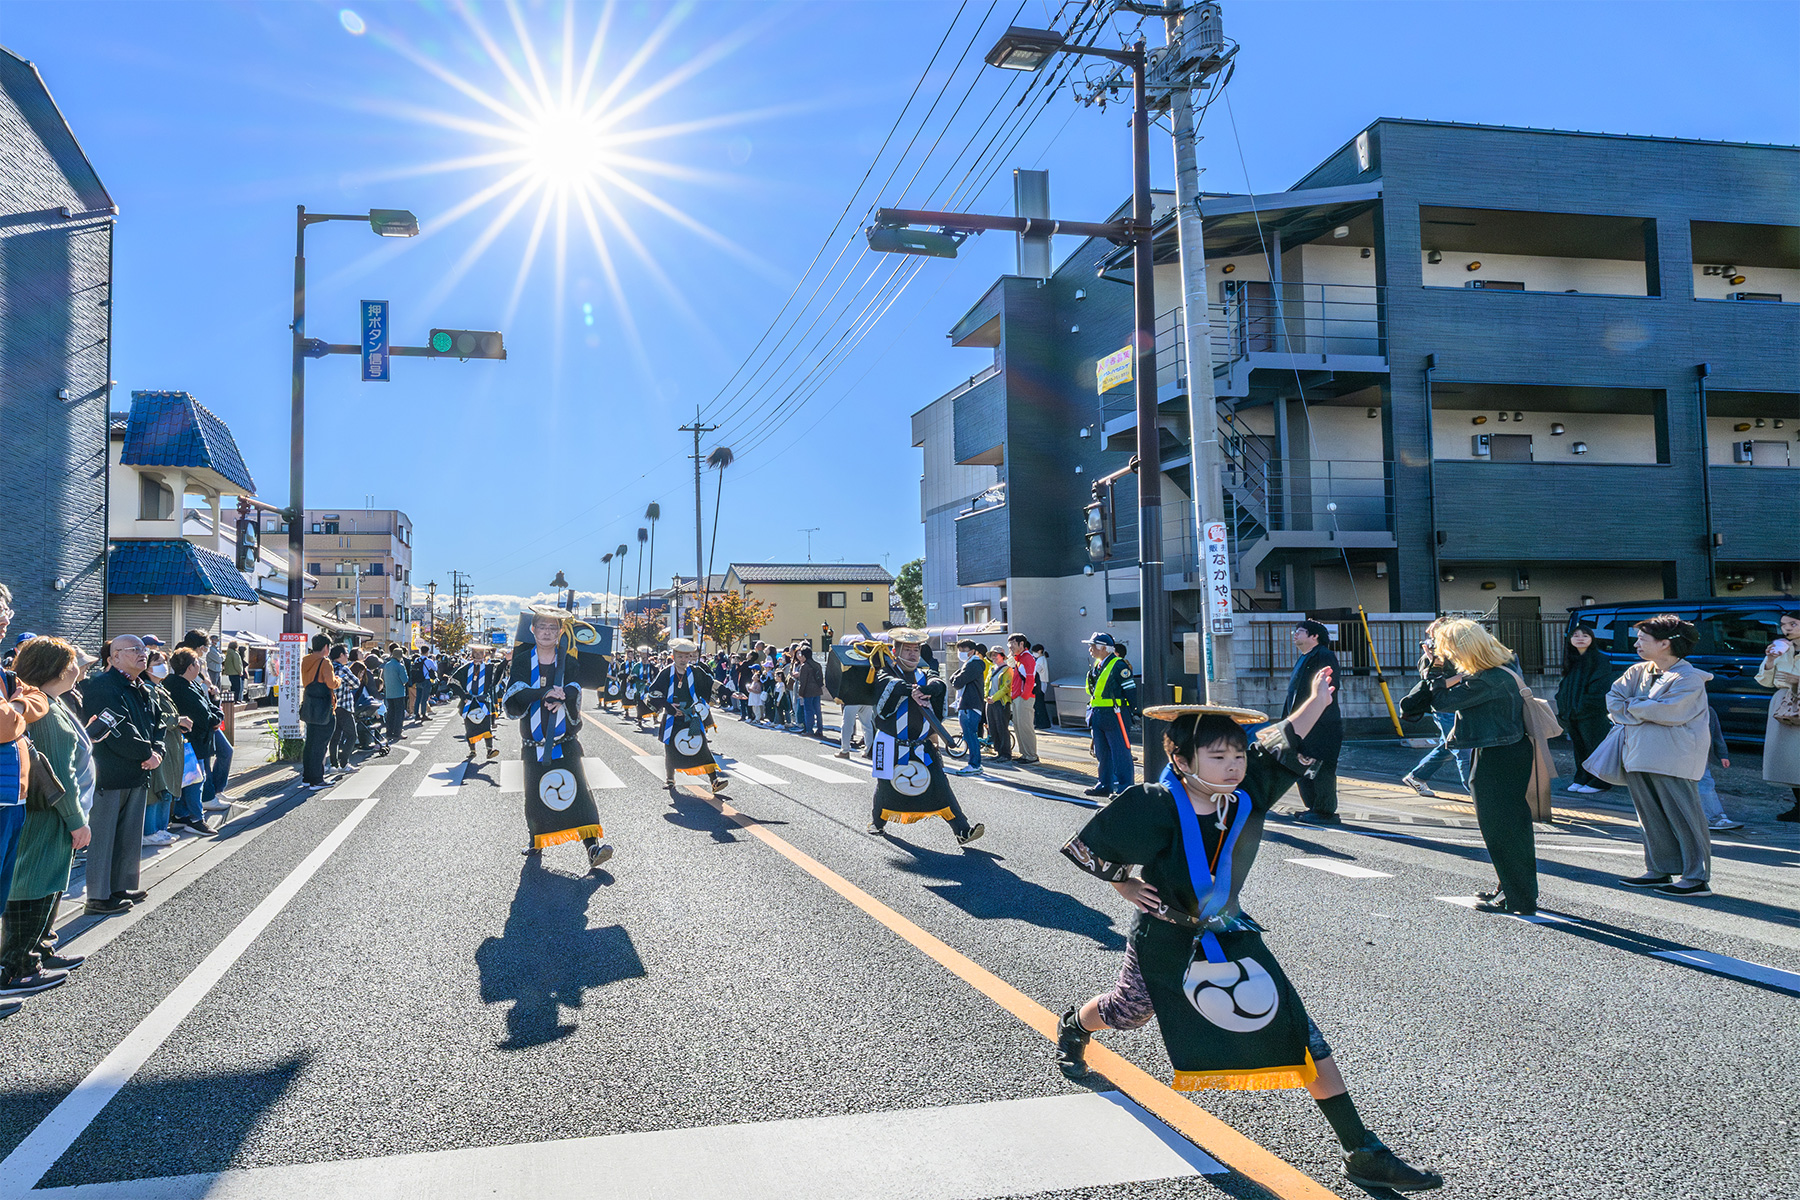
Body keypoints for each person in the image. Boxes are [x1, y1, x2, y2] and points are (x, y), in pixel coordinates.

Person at [1051, 674, 1444, 1195]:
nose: (1233, 766)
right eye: (1218, 757)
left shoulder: (1244, 796)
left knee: (1304, 1035)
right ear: (1182, 761)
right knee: (1129, 1012)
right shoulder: (1153, 802)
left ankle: (1361, 1150)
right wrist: (1124, 883)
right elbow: (1089, 848)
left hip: (1231, 931)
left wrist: (1313, 704)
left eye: (1236, 755)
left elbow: (1279, 741)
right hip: (1165, 936)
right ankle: (1074, 1024)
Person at [1399, 620, 1535, 915]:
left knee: (1502, 828)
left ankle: (1518, 896)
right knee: (1508, 827)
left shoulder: (1488, 680)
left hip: (1498, 754)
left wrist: (1436, 668)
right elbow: (1418, 702)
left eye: (1447, 648)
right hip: (1500, 750)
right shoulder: (1494, 671)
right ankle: (1513, 889)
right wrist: (1435, 666)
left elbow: (1440, 703)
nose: (1445, 654)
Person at [2, 637, 92, 996]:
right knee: (34, 884)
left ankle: (39, 950)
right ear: (55, 668)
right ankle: (19, 965)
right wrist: (77, 820)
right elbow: (62, 775)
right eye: (72, 662)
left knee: (48, 883)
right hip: (49, 814)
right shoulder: (45, 710)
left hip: (49, 813)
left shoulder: (50, 702)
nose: (78, 668)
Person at [1608, 615, 1714, 898]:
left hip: (1674, 756)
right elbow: (1613, 700)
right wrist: (1643, 706)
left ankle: (1696, 877)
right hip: (1638, 753)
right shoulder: (1637, 671)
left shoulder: (1689, 677)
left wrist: (1633, 707)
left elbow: (1668, 711)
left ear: (1665, 644)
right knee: (1649, 817)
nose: (1636, 644)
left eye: (1643, 640)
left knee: (1685, 816)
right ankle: (1659, 869)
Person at [504, 607, 613, 872]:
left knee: (579, 793)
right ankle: (536, 841)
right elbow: (516, 690)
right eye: (542, 627)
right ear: (533, 629)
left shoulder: (568, 660)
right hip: (534, 741)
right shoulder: (522, 660)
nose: (546, 632)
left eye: (553, 628)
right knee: (535, 793)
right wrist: (543, 693)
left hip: (564, 740)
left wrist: (564, 694)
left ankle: (592, 848)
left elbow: (576, 686)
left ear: (560, 632)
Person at [867, 630, 982, 845]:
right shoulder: (886, 674)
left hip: (922, 745)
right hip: (891, 744)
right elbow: (888, 690)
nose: (913, 654)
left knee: (941, 785)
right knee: (885, 786)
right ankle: (877, 822)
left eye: (916, 650)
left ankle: (962, 830)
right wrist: (909, 690)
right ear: (895, 651)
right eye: (908, 650)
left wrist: (927, 689)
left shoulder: (925, 674)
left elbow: (938, 683)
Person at [76, 635, 161, 916]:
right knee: (104, 835)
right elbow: (116, 727)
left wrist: (156, 751)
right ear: (112, 658)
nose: (142, 654)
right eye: (134, 649)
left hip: (138, 770)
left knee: (129, 834)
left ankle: (122, 886)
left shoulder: (143, 687)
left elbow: (156, 723)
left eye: (143, 649)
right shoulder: (102, 686)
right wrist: (146, 753)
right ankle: (99, 896)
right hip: (110, 772)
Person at [648, 638, 729, 793]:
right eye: (680, 657)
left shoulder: (695, 672)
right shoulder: (666, 673)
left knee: (701, 746)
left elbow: (710, 683)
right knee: (671, 748)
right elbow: (654, 692)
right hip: (672, 718)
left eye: (686, 656)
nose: (683, 660)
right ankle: (670, 779)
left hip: (691, 716)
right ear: (673, 656)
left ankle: (714, 781)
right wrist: (668, 707)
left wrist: (729, 692)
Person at [1401, 620, 1470, 799]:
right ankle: (1477, 791)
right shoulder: (1429, 659)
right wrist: (1463, 675)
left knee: (1447, 746)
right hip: (1444, 708)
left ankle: (1417, 776)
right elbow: (1435, 686)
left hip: (1459, 705)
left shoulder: (1455, 654)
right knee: (1462, 746)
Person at [1284, 621, 1342, 825]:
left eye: (1299, 631)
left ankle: (1325, 810)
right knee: (1301, 763)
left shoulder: (1323, 655)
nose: (1294, 634)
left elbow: (1330, 687)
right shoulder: (1305, 657)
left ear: (1314, 636)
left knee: (1322, 766)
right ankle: (1313, 807)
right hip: (1303, 723)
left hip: (1321, 723)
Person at [1556, 623, 1619, 795]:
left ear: (1592, 639)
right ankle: (1582, 777)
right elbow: (1565, 688)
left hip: (1590, 714)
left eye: (1585, 635)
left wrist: (1582, 707)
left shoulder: (1599, 659)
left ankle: (1600, 781)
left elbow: (1600, 689)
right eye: (1576, 635)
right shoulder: (1573, 660)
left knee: (1595, 747)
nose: (1580, 638)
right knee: (1579, 748)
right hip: (1573, 714)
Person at [164, 648, 220, 835]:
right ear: (190, 667)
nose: (200, 666)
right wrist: (216, 714)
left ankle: (181, 814)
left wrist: (214, 710)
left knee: (188, 778)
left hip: (193, 741)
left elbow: (208, 707)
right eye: (197, 663)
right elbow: (204, 716)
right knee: (196, 779)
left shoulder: (186, 683)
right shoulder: (181, 687)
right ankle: (196, 818)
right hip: (193, 741)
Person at [1756, 611, 1800, 823]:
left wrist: (1798, 681)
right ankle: (1798, 806)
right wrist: (1771, 660)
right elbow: (1764, 681)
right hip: (1784, 702)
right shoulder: (1782, 647)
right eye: (1783, 625)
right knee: (1788, 758)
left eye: (1793, 624)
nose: (1787, 628)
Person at [1083, 633, 1135, 799]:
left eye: (1093, 646)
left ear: (1103, 648)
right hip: (1098, 714)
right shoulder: (1098, 665)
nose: (1090, 649)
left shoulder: (1119, 665)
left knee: (1120, 752)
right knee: (1102, 752)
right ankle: (1105, 784)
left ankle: (1125, 787)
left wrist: (1133, 712)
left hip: (1115, 714)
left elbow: (1131, 692)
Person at [449, 643, 503, 762]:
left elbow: (496, 677)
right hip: (469, 703)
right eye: (476, 653)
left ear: (484, 655)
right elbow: (452, 681)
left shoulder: (489, 668)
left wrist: (505, 662)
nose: (478, 656)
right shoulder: (465, 668)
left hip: (483, 701)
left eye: (480, 653)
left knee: (486, 726)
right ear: (472, 655)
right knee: (470, 727)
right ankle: (472, 750)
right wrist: (463, 695)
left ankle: (490, 749)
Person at [299, 634, 338, 790]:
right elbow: (331, 683)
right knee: (320, 745)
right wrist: (339, 680)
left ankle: (307, 778)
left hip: (310, 706)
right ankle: (317, 780)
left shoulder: (306, 661)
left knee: (310, 743)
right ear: (326, 647)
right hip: (323, 708)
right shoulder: (325, 662)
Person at [1696, 705, 1743, 833]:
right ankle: (1713, 816)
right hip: (1686, 753)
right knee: (1703, 783)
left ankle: (1714, 816)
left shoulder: (1707, 710)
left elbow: (1716, 734)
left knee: (1705, 782)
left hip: (1698, 754)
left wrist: (1722, 754)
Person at [950, 640, 987, 777]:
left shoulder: (974, 664)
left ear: (972, 651)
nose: (961, 653)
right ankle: (974, 764)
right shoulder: (969, 664)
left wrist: (957, 678)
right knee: (969, 735)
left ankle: (975, 764)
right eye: (960, 650)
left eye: (964, 649)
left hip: (970, 704)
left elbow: (957, 682)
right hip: (967, 704)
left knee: (970, 735)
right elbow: (953, 678)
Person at [1006, 635, 1040, 764]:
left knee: (1025, 726)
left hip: (1023, 697)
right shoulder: (1019, 658)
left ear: (1021, 644)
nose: (1010, 647)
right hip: (1018, 696)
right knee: (1019, 726)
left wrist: (1024, 696)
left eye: (1013, 644)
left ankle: (1031, 755)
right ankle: (1025, 754)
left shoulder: (1027, 658)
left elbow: (1030, 679)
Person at [984, 646, 1014, 763]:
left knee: (1002, 728)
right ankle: (998, 751)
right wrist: (986, 697)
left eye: (996, 654)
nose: (993, 657)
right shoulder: (992, 668)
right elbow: (986, 685)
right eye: (992, 655)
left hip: (1001, 703)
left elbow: (1006, 688)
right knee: (992, 727)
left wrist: (994, 698)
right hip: (990, 702)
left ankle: (1005, 753)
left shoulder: (1007, 670)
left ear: (1002, 656)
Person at [381, 644, 409, 742]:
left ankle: (389, 732)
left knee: (391, 713)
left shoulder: (387, 665)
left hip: (389, 692)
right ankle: (397, 732)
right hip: (399, 692)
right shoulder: (400, 666)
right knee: (399, 713)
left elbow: (383, 678)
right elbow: (405, 680)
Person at [795, 646, 824, 737]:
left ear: (804, 655)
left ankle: (809, 730)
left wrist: (800, 693)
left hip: (808, 691)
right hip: (817, 690)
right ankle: (820, 729)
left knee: (808, 711)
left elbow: (803, 682)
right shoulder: (817, 665)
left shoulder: (805, 666)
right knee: (818, 711)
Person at [1033, 643, 1053, 730]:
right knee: (1039, 704)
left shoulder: (1040, 659)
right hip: (1042, 683)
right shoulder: (1042, 659)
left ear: (1040, 651)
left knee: (1039, 704)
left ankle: (1043, 723)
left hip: (1040, 683)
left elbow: (1036, 670)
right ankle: (1042, 723)